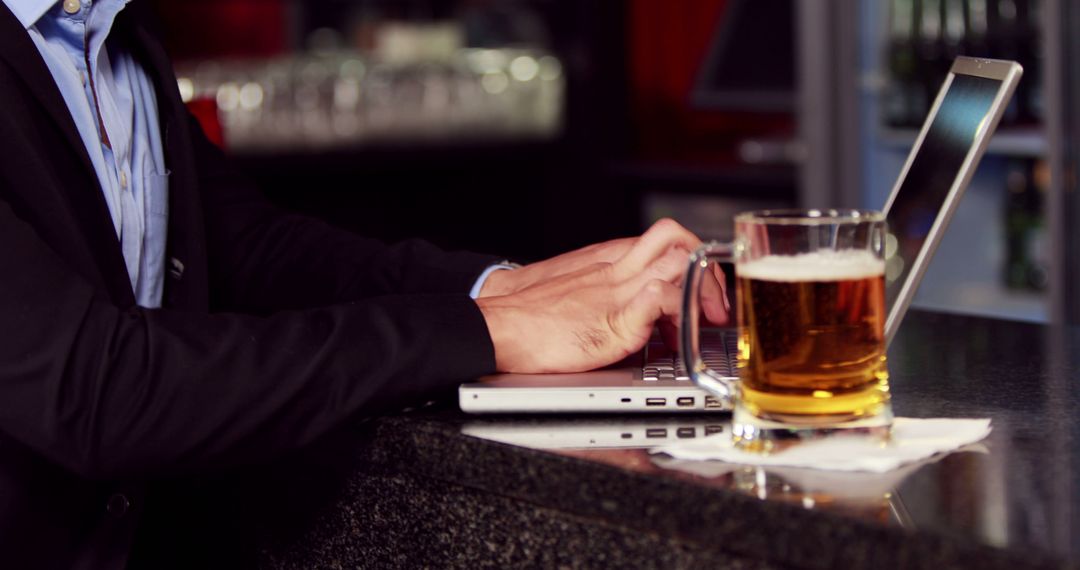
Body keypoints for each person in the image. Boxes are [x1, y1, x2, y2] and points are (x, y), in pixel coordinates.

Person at [0, 0, 729, 567]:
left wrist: (514, 288)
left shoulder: (110, 32)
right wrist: (495, 331)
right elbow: (97, 389)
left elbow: (250, 249)